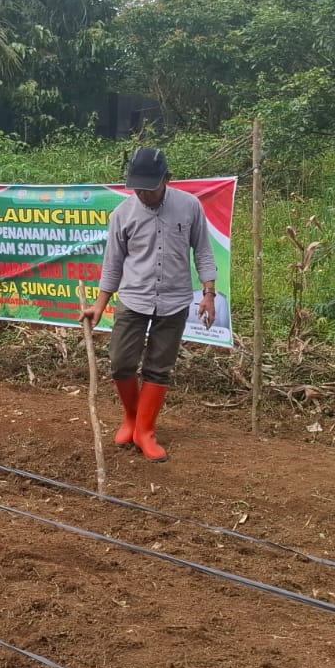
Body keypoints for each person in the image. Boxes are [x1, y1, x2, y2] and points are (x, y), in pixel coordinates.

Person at [80, 147, 218, 462]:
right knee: (120, 362)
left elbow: (204, 252)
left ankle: (145, 430)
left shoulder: (189, 207)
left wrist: (209, 293)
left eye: (149, 187)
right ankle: (131, 417)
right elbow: (112, 264)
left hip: (175, 300)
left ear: (167, 179)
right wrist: (99, 306)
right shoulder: (122, 214)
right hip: (133, 297)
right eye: (137, 187)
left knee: (159, 367)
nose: (142, 193)